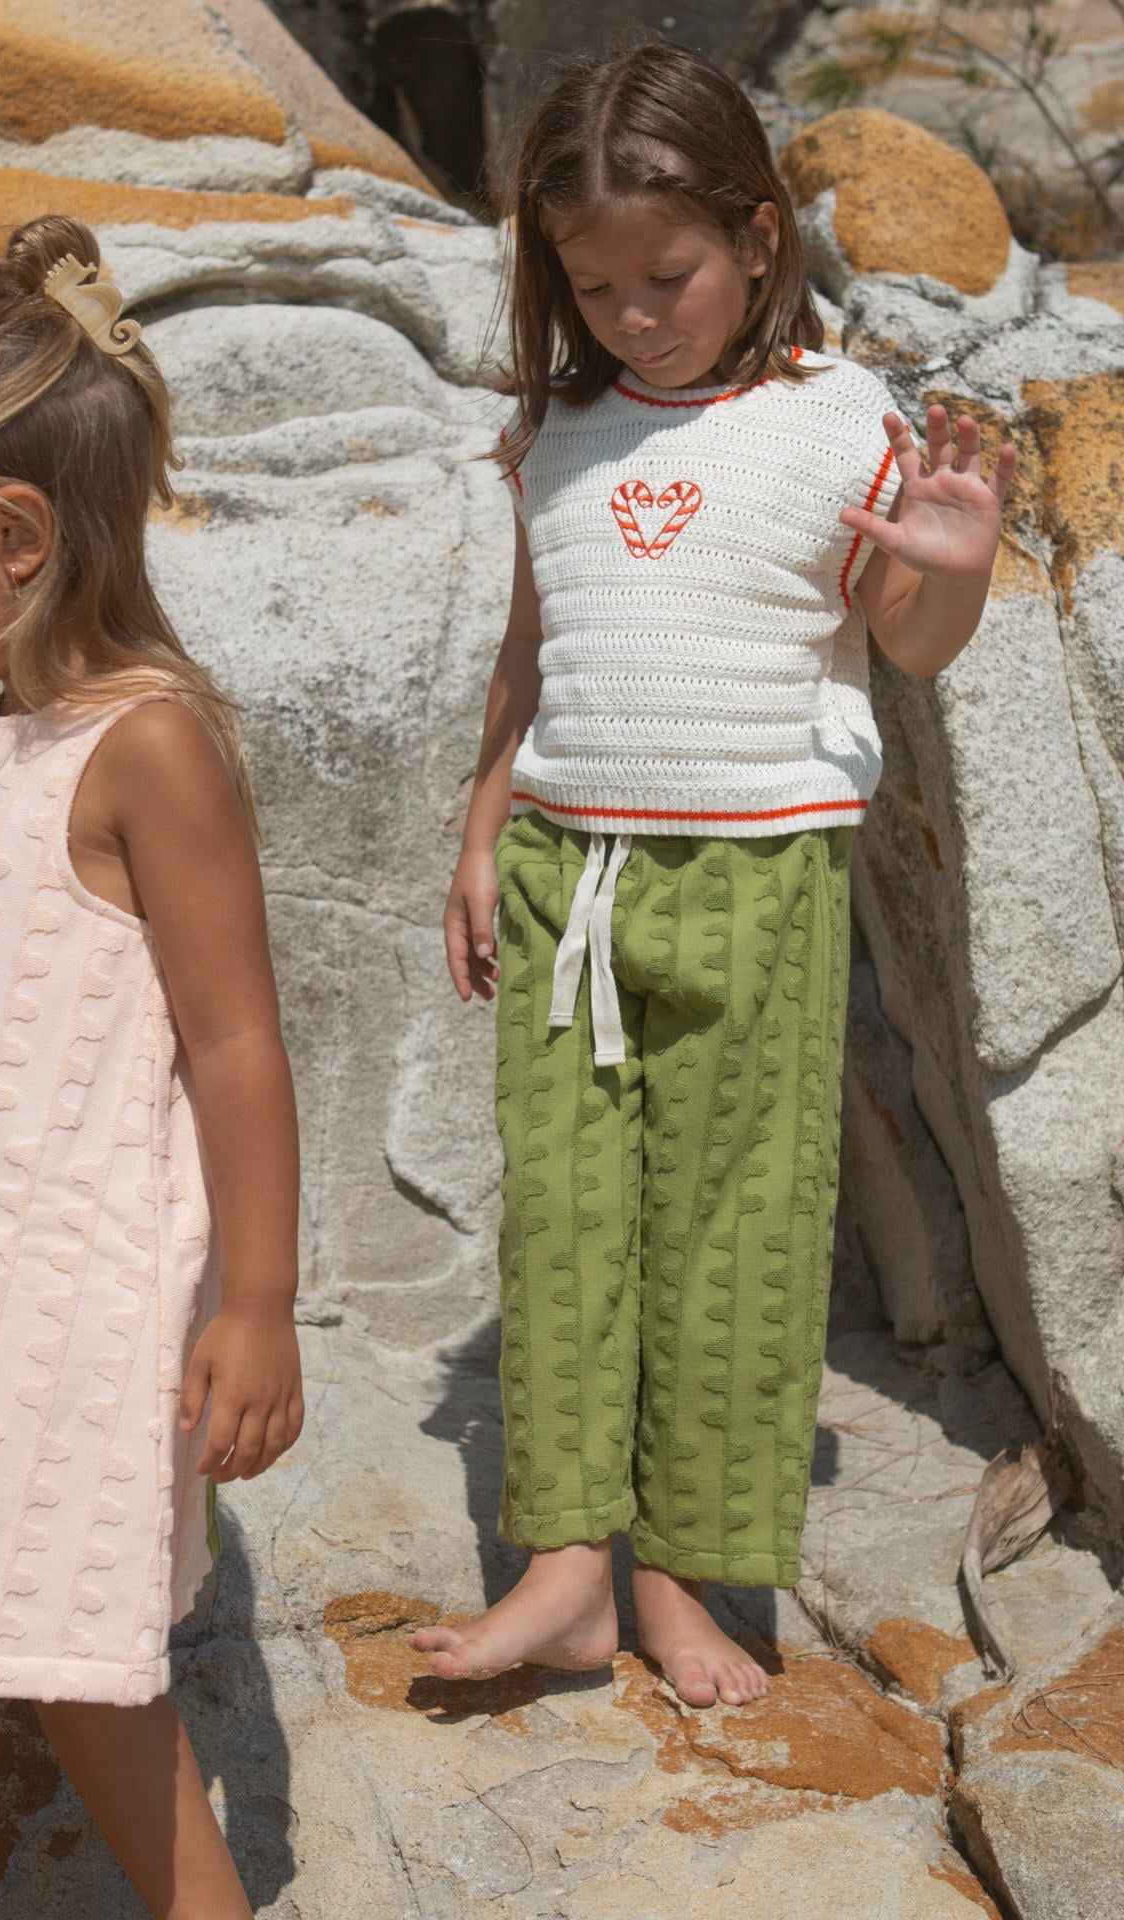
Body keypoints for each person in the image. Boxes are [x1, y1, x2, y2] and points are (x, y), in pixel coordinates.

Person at [413, 42, 1015, 1708]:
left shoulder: (837, 422)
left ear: (758, 238)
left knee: (734, 1235)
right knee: (567, 1223)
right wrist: (479, 837)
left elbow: (903, 637)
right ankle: (565, 1573)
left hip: (759, 888)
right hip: (563, 880)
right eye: (590, 284)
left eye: (663, 275)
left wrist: (952, 572)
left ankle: (684, 1574)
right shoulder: (562, 432)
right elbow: (528, 659)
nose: (629, 312)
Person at [0, 216, 302, 1920]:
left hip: (69, 1314)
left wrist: (254, 1299)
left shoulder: (148, 743)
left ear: (16, 536)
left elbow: (240, 1042)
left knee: (56, 1674)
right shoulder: (1, 738)